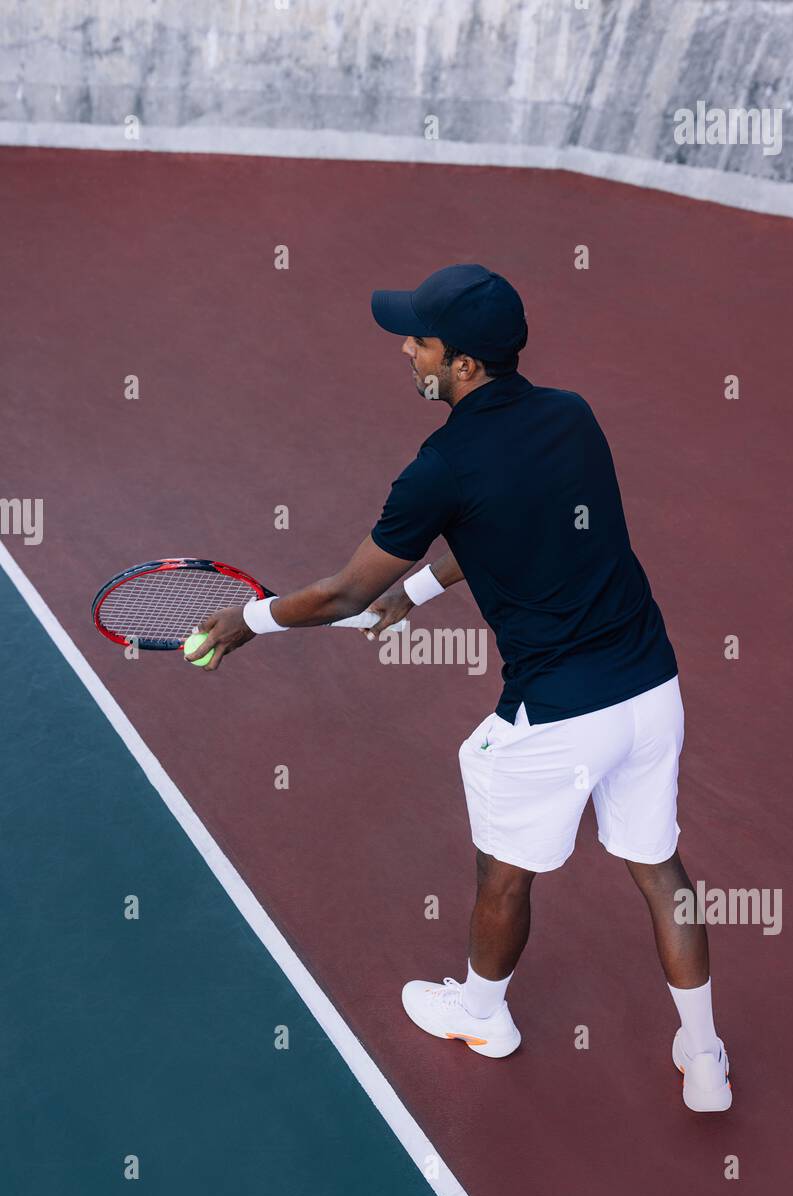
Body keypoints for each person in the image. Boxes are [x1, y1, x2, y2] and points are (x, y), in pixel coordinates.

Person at [189, 264, 731, 1113]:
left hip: (553, 717)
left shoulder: (439, 467)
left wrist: (246, 622)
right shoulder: (572, 417)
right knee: (660, 872)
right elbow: (506, 521)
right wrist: (417, 592)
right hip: (650, 690)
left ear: (464, 366)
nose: (406, 349)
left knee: (502, 876)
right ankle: (704, 1059)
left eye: (420, 341)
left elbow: (341, 593)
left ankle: (482, 1015)